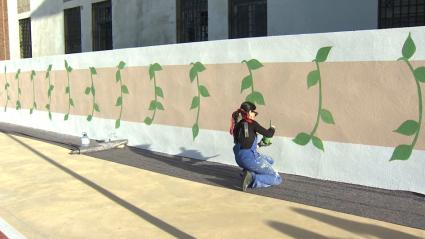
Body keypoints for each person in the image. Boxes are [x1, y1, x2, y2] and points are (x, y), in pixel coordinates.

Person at [230, 101, 283, 191]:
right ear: (249, 112)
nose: (255, 114)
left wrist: (259, 145)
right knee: (277, 178)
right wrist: (273, 128)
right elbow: (269, 134)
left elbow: (245, 143)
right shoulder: (251, 123)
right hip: (249, 158)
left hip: (239, 158)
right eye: (254, 112)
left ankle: (247, 171)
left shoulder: (237, 125)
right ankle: (251, 179)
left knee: (270, 160)